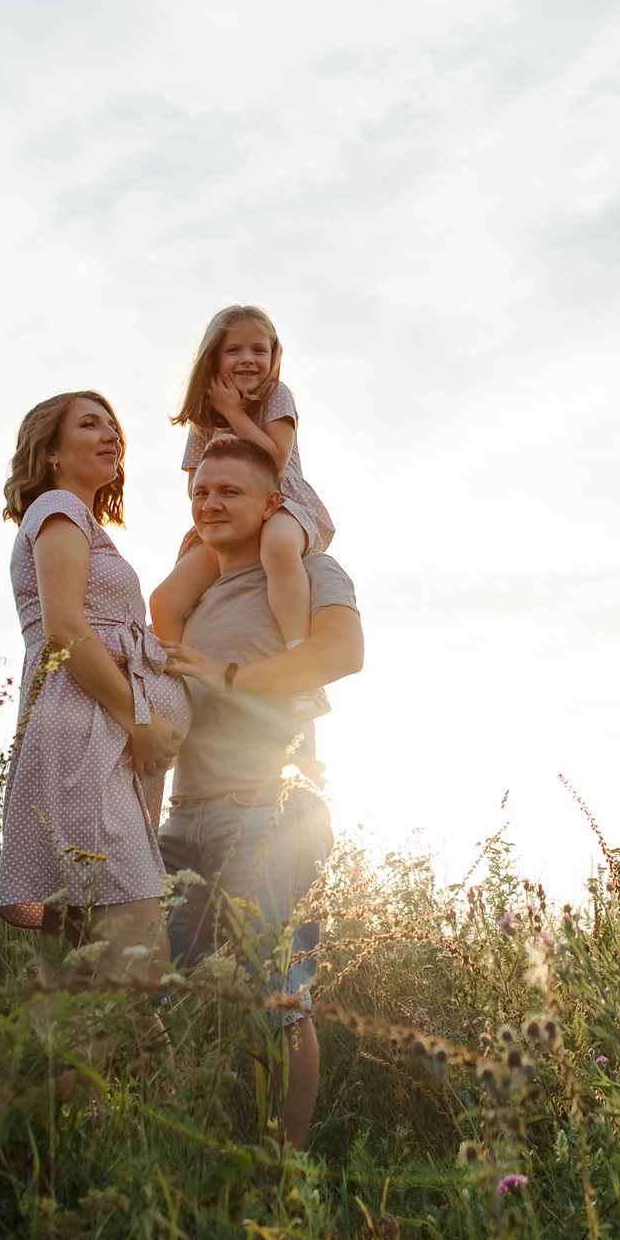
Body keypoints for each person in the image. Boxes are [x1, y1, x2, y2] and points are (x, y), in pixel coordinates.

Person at [157, 435, 364, 1150]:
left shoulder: (311, 569)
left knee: (274, 996)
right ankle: (185, 1147)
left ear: (272, 503)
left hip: (271, 811)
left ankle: (283, 1168)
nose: (210, 502)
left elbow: (341, 652)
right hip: (183, 816)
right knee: (159, 989)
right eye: (200, 492)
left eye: (229, 491)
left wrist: (229, 677)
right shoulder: (195, 592)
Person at [0, 391, 190, 998]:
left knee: (87, 970)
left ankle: (77, 1090)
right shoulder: (59, 509)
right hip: (89, 736)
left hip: (93, 735)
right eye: (89, 424)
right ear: (51, 453)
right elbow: (67, 628)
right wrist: (141, 720)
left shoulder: (81, 521)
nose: (111, 435)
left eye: (113, 426)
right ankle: (76, 1089)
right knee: (135, 960)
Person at [149, 305, 336, 719]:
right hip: (230, 520)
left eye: (259, 349)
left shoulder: (275, 396)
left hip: (281, 506)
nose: (248, 359)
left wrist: (235, 413)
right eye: (234, 350)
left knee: (278, 550)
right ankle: (182, 689)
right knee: (164, 599)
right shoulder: (204, 414)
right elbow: (194, 484)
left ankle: (302, 669)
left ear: (273, 356)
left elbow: (276, 457)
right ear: (214, 357)